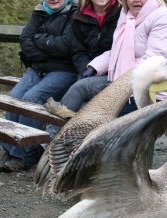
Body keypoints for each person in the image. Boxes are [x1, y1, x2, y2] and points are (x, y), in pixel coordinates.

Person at [55, 0, 167, 117]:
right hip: (123, 80)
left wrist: (117, 85)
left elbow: (153, 62)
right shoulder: (127, 16)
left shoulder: (163, 18)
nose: (136, 1)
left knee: (102, 118)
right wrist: (94, 67)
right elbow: (118, 51)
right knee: (80, 87)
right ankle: (55, 137)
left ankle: (82, 138)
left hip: (155, 89)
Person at [0, 0, 79, 172]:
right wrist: (45, 54)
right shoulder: (38, 11)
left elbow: (66, 45)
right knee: (14, 98)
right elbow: (25, 39)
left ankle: (28, 152)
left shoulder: (74, 13)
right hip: (38, 67)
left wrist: (39, 39)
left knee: (31, 98)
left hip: (64, 70)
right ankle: (13, 151)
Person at [46, 0, 122, 138]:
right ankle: (58, 140)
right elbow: (77, 51)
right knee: (80, 95)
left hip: (113, 70)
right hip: (86, 70)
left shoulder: (122, 14)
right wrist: (87, 70)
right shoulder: (79, 16)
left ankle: (55, 138)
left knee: (82, 96)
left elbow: (119, 51)